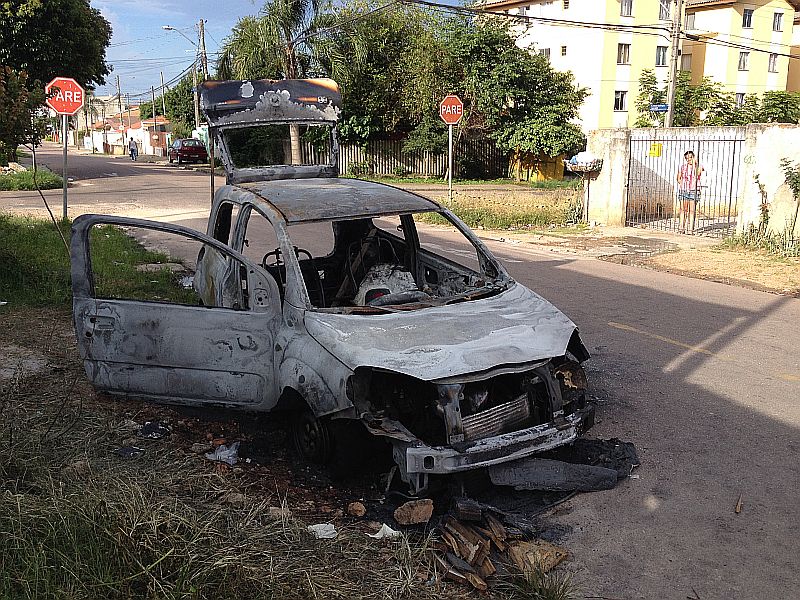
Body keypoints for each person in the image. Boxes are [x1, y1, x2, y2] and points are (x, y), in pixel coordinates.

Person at [676, 150, 703, 234]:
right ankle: (681, 228)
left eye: (691, 157)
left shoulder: (699, 167)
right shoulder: (683, 167)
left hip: (694, 190)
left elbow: (697, 173)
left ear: (694, 157)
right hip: (684, 190)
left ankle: (690, 229)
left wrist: (695, 163)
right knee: (683, 209)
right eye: (687, 158)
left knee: (692, 210)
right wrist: (683, 184)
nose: (689, 159)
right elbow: (678, 178)